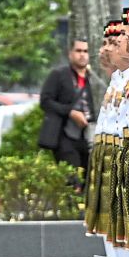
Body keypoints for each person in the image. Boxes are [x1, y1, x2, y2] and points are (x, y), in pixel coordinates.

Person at [38, 38, 94, 178]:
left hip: (88, 136)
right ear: (70, 54)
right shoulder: (59, 75)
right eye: (78, 51)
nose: (82, 55)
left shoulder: (93, 77)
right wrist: (70, 112)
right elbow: (45, 101)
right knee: (72, 179)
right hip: (64, 136)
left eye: (85, 51)